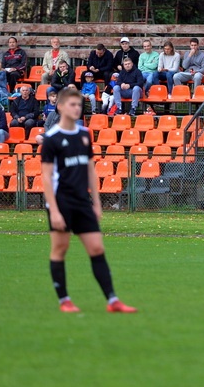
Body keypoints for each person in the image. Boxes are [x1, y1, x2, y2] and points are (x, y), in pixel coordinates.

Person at [42, 85, 137, 314]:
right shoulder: (52, 138)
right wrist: (53, 211)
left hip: (82, 201)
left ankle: (113, 300)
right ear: (61, 106)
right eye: (72, 105)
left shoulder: (84, 135)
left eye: (79, 105)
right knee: (60, 249)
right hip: (61, 201)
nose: (77, 108)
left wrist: (96, 202)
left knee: (96, 248)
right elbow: (46, 176)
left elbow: (91, 170)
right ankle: (64, 300)